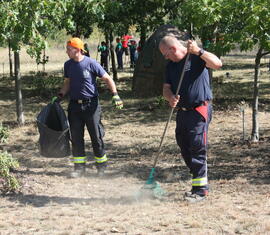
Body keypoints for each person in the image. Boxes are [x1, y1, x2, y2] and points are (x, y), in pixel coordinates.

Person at [159, 35, 222, 203]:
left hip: (199, 109)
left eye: (166, 54)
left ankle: (201, 190)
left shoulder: (195, 57)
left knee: (197, 146)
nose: (166, 57)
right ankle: (197, 179)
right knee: (184, 145)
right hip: (182, 112)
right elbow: (166, 88)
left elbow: (217, 64)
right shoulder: (170, 66)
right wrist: (170, 97)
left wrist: (199, 51)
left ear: (173, 48)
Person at [58, 37, 123, 178]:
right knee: (76, 138)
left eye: (69, 49)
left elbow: (107, 78)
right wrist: (60, 95)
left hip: (91, 105)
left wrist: (115, 95)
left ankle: (101, 167)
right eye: (67, 49)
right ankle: (79, 168)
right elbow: (67, 82)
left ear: (77, 49)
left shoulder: (91, 63)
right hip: (74, 106)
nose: (67, 51)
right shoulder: (68, 65)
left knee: (96, 137)